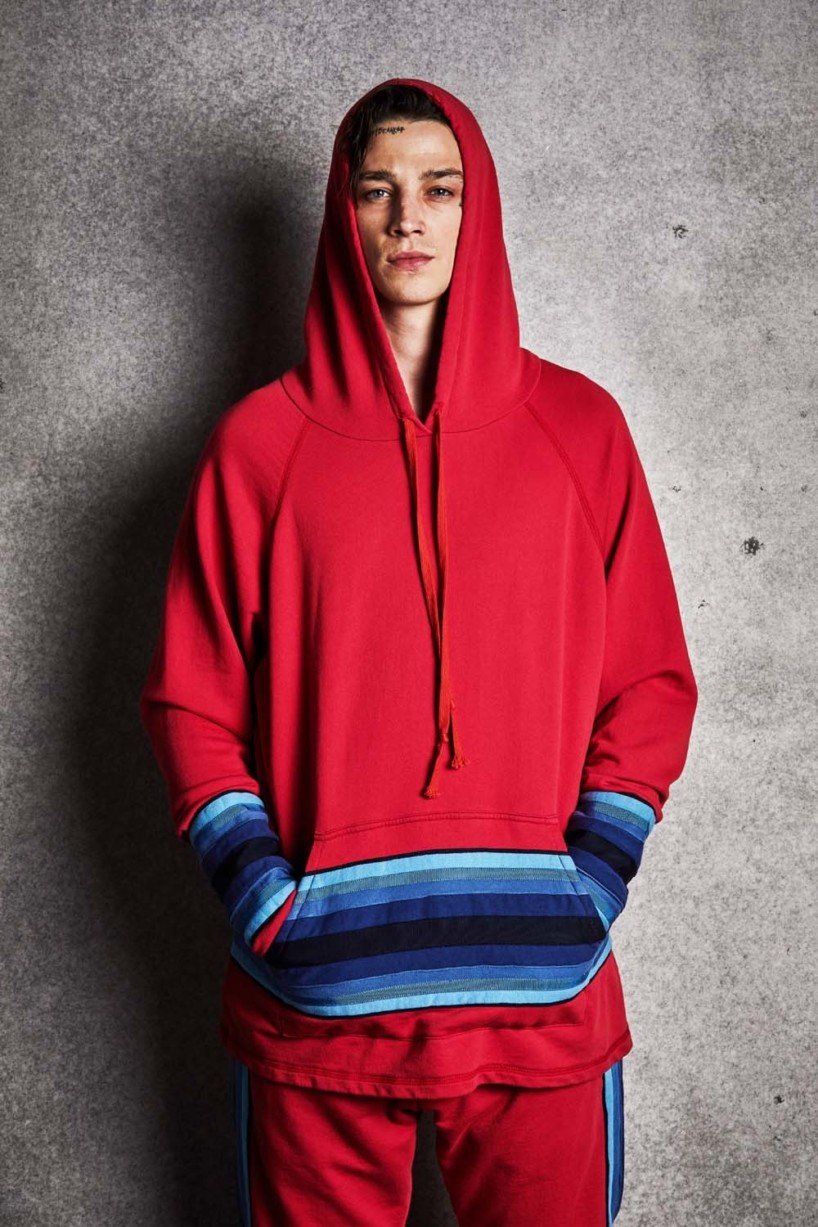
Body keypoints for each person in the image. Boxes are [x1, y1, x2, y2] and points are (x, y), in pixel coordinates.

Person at [139, 77, 698, 1226]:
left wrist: (586, 883)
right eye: (376, 191)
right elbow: (192, 702)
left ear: (474, 208)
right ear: (341, 215)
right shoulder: (258, 446)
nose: (408, 218)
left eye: (439, 189)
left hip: (538, 1001)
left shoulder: (578, 429)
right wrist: (265, 901)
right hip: (318, 1012)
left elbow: (648, 683)